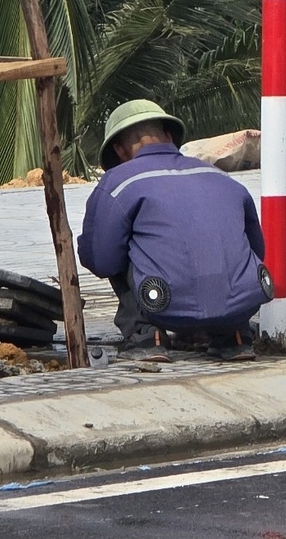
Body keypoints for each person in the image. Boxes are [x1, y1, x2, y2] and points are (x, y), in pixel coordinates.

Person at [77, 99, 271, 360]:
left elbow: (101, 259)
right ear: (169, 136)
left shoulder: (118, 182)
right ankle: (234, 337)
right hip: (243, 302)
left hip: (163, 303)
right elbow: (257, 248)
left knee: (116, 248)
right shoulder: (220, 177)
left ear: (119, 150)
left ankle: (147, 337)